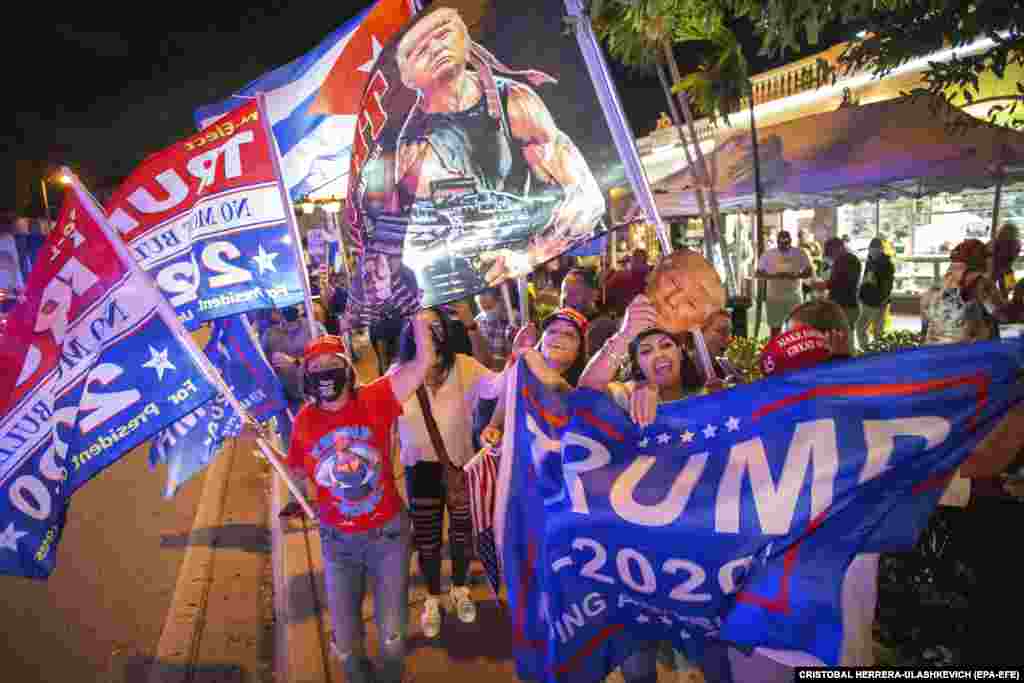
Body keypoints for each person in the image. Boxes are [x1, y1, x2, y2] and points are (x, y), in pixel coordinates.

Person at [386, 6, 606, 291]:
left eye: (443, 33)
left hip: (538, 266)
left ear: (466, 42)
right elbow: (423, 247)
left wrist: (530, 256)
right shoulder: (417, 148)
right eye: (420, 49)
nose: (437, 47)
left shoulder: (516, 102)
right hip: (478, 286)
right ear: (408, 77)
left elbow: (586, 197)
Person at [283, 316, 434, 683]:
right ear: (306, 378)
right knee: (347, 643)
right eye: (315, 368)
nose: (324, 372)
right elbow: (299, 471)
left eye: (331, 364)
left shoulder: (377, 397)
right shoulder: (303, 420)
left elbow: (422, 363)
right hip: (337, 542)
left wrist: (417, 319)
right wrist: (294, 488)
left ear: (347, 369)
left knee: (392, 637)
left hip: (388, 536)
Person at [393, 306, 506, 638]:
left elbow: (500, 384)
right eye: (421, 327)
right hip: (419, 472)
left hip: (458, 467)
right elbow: (375, 407)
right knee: (427, 541)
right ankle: (432, 597)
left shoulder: (466, 366)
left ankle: (460, 588)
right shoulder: (400, 372)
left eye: (435, 326)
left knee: (461, 534)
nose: (429, 332)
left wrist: (520, 354)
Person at [920, 238, 1007, 345]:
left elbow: (924, 321)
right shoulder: (982, 284)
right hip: (968, 354)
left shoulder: (938, 286)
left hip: (934, 351)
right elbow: (1000, 316)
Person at [755, 230, 813, 337]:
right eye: (781, 241)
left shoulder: (799, 253)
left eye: (786, 241)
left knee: (796, 329)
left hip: (794, 298)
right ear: (777, 241)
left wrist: (796, 276)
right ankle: (776, 351)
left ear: (790, 240)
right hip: (774, 298)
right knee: (775, 329)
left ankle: (793, 352)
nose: (784, 244)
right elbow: (758, 273)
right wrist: (774, 276)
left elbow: (809, 271)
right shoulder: (768, 254)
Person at [810, 237, 861, 350]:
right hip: (847, 305)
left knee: (844, 341)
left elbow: (839, 283)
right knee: (844, 338)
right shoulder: (848, 259)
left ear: (837, 248)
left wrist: (822, 285)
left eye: (830, 253)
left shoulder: (845, 260)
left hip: (845, 306)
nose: (831, 257)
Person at [856, 237, 895, 350]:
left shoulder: (886, 264)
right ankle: (869, 350)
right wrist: (861, 294)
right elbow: (865, 279)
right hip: (868, 300)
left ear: (880, 250)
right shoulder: (871, 262)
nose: (871, 252)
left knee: (876, 330)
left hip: (877, 301)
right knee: (865, 327)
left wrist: (882, 300)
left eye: (874, 250)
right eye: (871, 249)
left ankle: (875, 352)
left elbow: (887, 286)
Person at [474, 287, 514, 370]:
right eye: (483, 308)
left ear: (500, 299)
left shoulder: (512, 320)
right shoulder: (476, 322)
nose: (481, 296)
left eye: (490, 307)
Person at [699, 309, 741, 383]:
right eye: (722, 331)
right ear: (700, 332)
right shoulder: (684, 370)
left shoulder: (728, 369)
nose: (729, 339)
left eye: (730, 332)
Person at [989, 221, 1020, 298]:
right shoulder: (1016, 244)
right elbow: (1013, 258)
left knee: (990, 288)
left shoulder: (997, 241)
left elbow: (993, 255)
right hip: (1006, 269)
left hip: (997, 268)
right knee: (1007, 291)